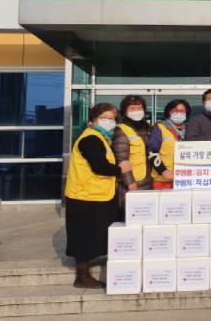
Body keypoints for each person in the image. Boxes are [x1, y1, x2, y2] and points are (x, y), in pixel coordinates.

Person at [64, 103, 131, 288]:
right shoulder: (91, 139)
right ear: (92, 120)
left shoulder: (101, 138)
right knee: (83, 235)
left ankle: (88, 267)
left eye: (112, 119)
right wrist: (120, 169)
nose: (108, 122)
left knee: (94, 233)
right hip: (85, 196)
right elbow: (99, 166)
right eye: (104, 118)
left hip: (96, 194)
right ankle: (82, 276)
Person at [112, 96, 159, 210]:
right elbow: (121, 160)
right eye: (132, 108)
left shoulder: (147, 128)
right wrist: (130, 182)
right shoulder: (122, 130)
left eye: (139, 108)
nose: (136, 111)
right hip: (133, 183)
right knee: (131, 213)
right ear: (125, 111)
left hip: (147, 179)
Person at [150, 99, 191, 190]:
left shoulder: (189, 129)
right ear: (168, 112)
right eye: (175, 110)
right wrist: (163, 171)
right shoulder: (160, 128)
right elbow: (151, 152)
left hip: (184, 179)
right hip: (163, 180)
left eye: (182, 111)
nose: (179, 113)